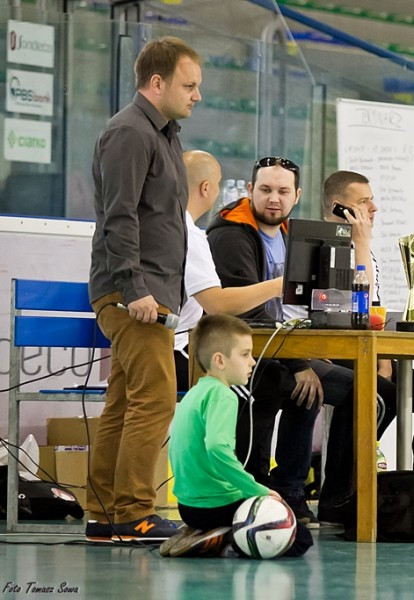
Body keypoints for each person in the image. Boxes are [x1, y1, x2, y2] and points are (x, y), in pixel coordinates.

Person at [86, 37, 202, 543]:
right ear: (157, 83)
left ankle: (104, 514)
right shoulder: (130, 132)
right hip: (134, 295)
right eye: (189, 85)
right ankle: (134, 513)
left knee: (123, 405)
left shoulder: (164, 135)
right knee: (155, 402)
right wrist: (134, 289)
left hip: (153, 292)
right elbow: (119, 217)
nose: (197, 95)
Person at [206, 156, 356, 528]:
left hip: (286, 346)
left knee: (360, 390)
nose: (274, 198)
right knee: (281, 382)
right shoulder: (230, 233)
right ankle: (260, 488)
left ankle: (330, 497)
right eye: (266, 189)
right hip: (244, 351)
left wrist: (309, 353)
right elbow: (245, 312)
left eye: (283, 191)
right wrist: (299, 363)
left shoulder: (294, 235)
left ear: (297, 195)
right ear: (250, 190)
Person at [318, 170, 414, 520]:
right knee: (380, 395)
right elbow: (354, 301)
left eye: (372, 200)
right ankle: (339, 493)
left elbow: (373, 312)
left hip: (367, 349)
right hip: (334, 351)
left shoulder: (364, 250)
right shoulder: (324, 245)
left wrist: (385, 358)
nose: (374, 208)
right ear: (340, 208)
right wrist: (361, 243)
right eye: (364, 202)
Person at [163, 314, 313, 558]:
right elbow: (216, 449)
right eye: (245, 355)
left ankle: (203, 530)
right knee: (300, 538)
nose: (252, 362)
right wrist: (256, 489)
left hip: (187, 507)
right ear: (219, 360)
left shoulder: (195, 392)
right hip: (214, 506)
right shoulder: (224, 395)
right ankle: (224, 538)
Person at [174, 150, 282, 391]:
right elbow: (218, 305)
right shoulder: (189, 234)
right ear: (206, 188)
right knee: (266, 381)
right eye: (218, 184)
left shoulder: (169, 226)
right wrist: (278, 286)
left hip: (172, 341)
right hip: (177, 347)